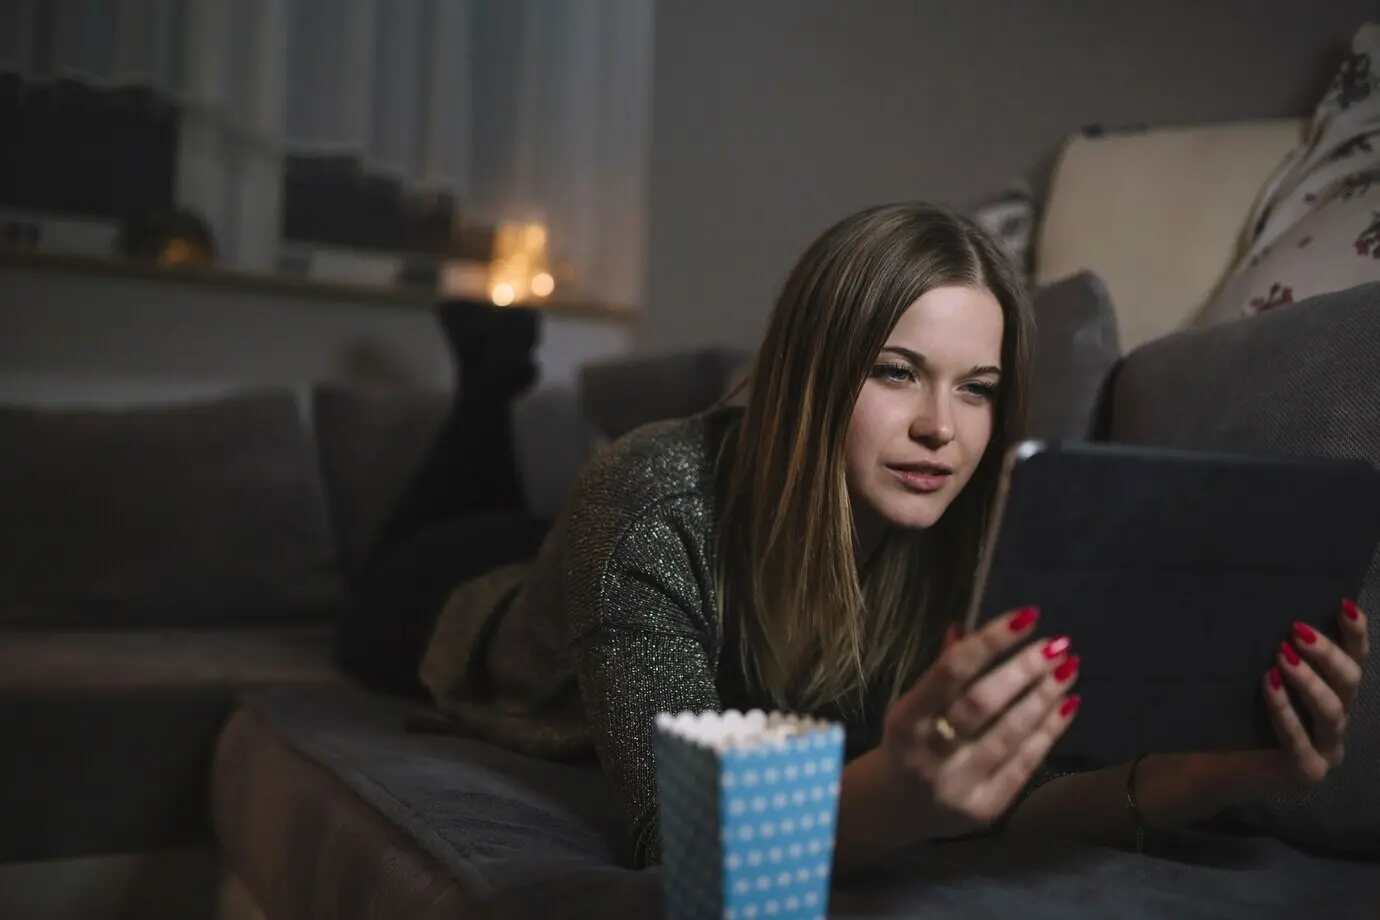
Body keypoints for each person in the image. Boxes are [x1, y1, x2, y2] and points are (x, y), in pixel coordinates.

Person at [384, 203, 1369, 873]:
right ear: (814, 376)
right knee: (431, 524)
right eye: (898, 371)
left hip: (617, 551)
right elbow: (670, 834)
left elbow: (1019, 795)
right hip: (464, 609)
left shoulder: (978, 522)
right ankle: (487, 376)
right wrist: (899, 794)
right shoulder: (651, 493)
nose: (944, 426)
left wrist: (1222, 774)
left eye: (977, 388)